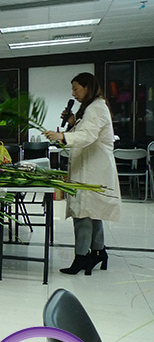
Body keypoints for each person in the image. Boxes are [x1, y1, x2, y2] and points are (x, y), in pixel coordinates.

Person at [43, 72, 121, 276]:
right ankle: (98, 251)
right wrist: (71, 121)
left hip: (93, 168)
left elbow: (87, 136)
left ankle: (82, 257)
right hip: (90, 166)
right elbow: (83, 132)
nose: (74, 93)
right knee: (92, 211)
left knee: (84, 213)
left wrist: (62, 135)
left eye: (76, 88)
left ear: (88, 87)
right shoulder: (92, 108)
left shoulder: (96, 107)